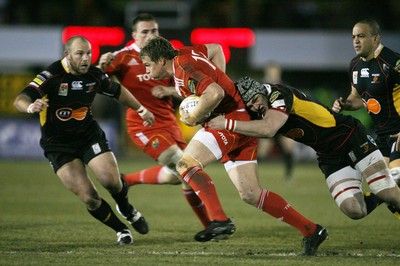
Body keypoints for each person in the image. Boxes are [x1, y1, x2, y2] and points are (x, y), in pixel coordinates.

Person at [140, 36, 328, 256]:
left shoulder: (183, 70)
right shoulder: (185, 54)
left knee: (185, 165)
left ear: (161, 60)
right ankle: (312, 230)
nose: (147, 70)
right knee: (251, 193)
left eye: (148, 64)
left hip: (228, 120)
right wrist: (218, 79)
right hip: (240, 119)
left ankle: (219, 220)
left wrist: (194, 116)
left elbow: (215, 93)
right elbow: (216, 49)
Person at [13, 36, 155, 245]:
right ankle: (121, 229)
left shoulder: (94, 75)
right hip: (58, 145)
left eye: (88, 53)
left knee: (111, 181)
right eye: (80, 54)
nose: (86, 58)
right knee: (89, 197)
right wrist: (29, 107)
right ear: (67, 55)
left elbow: (118, 92)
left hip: (88, 136)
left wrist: (141, 109)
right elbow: (20, 99)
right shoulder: (51, 75)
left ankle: (126, 208)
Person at [207, 76, 400, 221]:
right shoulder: (258, 107)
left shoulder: (277, 94)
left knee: (385, 189)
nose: (256, 107)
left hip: (349, 135)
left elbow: (269, 129)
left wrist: (227, 123)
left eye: (256, 100)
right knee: (355, 210)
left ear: (260, 91)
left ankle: (390, 190)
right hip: (328, 154)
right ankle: (393, 184)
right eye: (250, 106)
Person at [97, 13, 211, 230]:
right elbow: (97, 80)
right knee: (185, 168)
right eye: (145, 32)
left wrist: (169, 89)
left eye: (154, 31)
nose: (150, 35)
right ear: (134, 36)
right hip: (142, 124)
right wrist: (101, 67)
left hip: (169, 122)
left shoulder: (167, 56)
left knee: (179, 176)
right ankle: (214, 222)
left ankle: (126, 181)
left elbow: (188, 89)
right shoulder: (122, 57)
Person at [332, 19, 400, 189]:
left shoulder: (393, 62)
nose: (356, 40)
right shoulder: (354, 65)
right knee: (382, 187)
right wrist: (344, 104)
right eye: (354, 36)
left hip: (399, 133)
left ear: (376, 38)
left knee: (395, 179)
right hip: (383, 135)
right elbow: (356, 98)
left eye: (361, 36)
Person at [258, 62, 295, 180]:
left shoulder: (285, 87)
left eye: (276, 71)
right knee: (262, 151)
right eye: (272, 71)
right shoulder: (261, 87)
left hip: (283, 123)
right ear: (267, 72)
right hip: (268, 122)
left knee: (289, 147)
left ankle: (288, 176)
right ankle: (252, 174)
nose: (275, 73)